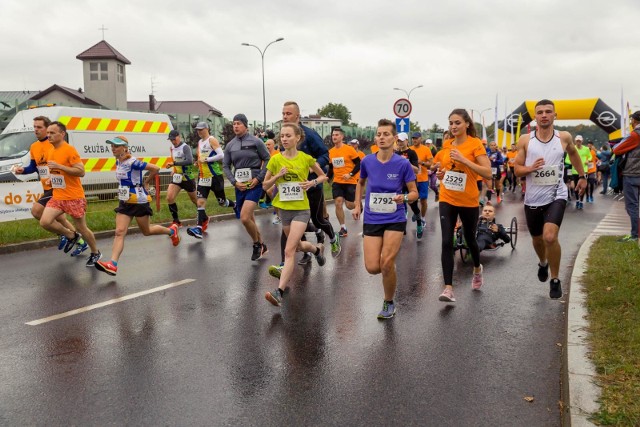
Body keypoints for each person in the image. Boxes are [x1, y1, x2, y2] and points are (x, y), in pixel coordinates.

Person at [514, 99, 587, 299]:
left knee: (549, 237)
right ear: (535, 116)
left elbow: (573, 154)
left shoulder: (564, 137)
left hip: (557, 194)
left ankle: (555, 279)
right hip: (532, 199)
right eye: (540, 112)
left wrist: (581, 176)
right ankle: (543, 263)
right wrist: (530, 168)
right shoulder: (525, 140)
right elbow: (516, 168)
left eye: (548, 111)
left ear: (555, 115)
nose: (544, 115)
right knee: (537, 239)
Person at [352, 119, 418, 319]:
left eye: (386, 134)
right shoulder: (367, 161)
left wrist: (404, 197)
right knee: (373, 267)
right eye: (379, 134)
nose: (381, 137)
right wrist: (357, 204)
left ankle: (389, 302)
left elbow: (414, 193)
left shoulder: (403, 163)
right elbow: (360, 182)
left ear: (395, 138)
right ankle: (390, 272)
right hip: (372, 217)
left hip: (394, 217)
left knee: (386, 262)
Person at [264, 123, 329, 306]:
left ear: (297, 138)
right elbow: (265, 185)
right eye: (282, 136)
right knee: (298, 246)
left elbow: (324, 176)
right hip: (284, 210)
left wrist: (312, 182)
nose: (284, 139)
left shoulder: (305, 158)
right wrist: (277, 177)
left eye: (288, 136)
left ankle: (279, 291)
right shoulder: (275, 160)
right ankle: (317, 249)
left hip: (301, 209)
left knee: (289, 250)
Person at [95, 136, 180, 276]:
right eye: (112, 146)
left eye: (116, 146)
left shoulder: (132, 162)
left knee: (147, 231)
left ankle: (172, 231)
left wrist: (146, 182)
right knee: (119, 232)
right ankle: (113, 264)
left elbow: (155, 168)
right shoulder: (118, 161)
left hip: (139, 201)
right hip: (125, 202)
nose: (113, 148)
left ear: (124, 148)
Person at [433, 109, 491, 302]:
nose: (453, 126)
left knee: (469, 239)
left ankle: (477, 268)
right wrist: (441, 174)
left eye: (457, 122)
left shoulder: (475, 144)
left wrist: (465, 160)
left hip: (468, 200)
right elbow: (445, 169)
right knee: (446, 241)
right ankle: (448, 288)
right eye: (451, 123)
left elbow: (488, 172)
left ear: (467, 124)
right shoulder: (447, 144)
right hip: (447, 197)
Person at [13, 116, 86, 255]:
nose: (36, 130)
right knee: (60, 218)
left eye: (39, 127)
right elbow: (34, 167)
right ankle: (80, 242)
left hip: (58, 188)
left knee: (36, 211)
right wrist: (23, 170)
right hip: (46, 187)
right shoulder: (34, 146)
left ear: (48, 129)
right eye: (34, 127)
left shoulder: (54, 144)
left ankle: (68, 235)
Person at [37, 121, 101, 267]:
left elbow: (81, 171)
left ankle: (95, 252)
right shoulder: (50, 150)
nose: (48, 136)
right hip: (58, 196)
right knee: (45, 222)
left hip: (74, 196)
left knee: (82, 227)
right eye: (47, 133)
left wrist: (60, 167)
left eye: (52, 133)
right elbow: (56, 173)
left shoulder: (70, 150)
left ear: (62, 134)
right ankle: (71, 236)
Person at [222, 114, 270, 260]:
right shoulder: (230, 145)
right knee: (249, 218)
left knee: (244, 217)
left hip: (254, 184)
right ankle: (262, 244)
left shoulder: (256, 141)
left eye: (238, 123)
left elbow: (267, 159)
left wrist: (259, 178)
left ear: (245, 126)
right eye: (234, 124)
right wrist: (234, 182)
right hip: (240, 185)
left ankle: (256, 244)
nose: (235, 126)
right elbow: (225, 165)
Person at [187, 122, 237, 239]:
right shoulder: (199, 142)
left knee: (222, 202)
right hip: (203, 177)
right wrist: (198, 161)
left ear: (207, 129)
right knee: (200, 202)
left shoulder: (212, 140)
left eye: (201, 129)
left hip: (215, 177)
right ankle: (199, 228)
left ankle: (234, 204)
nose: (199, 132)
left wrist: (207, 159)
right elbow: (201, 157)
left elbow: (221, 155)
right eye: (197, 130)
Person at [612, 110, 640, 242]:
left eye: (631, 120)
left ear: (634, 121)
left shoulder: (635, 135)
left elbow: (616, 149)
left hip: (632, 174)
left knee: (632, 206)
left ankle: (635, 235)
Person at [328, 127, 361, 237]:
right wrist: (328, 178)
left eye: (337, 135)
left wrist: (350, 174)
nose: (334, 137)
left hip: (350, 181)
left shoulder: (349, 149)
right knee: (338, 203)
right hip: (337, 181)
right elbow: (331, 167)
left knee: (350, 205)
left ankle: (357, 205)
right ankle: (343, 227)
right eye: (333, 135)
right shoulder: (331, 152)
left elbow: (358, 164)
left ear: (342, 137)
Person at [165, 130, 197, 227]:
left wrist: (174, 164)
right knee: (169, 198)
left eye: (174, 139)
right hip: (177, 177)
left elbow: (189, 161)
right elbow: (175, 160)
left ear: (179, 137)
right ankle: (176, 221)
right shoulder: (171, 148)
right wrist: (174, 169)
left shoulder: (185, 147)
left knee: (195, 200)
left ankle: (204, 218)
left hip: (187, 177)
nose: (173, 142)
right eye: (171, 140)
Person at [395, 132, 423, 238]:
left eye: (402, 141)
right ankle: (403, 227)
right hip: (399, 182)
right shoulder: (395, 154)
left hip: (410, 182)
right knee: (401, 204)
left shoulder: (412, 153)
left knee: (413, 205)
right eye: (398, 141)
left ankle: (419, 224)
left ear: (407, 141)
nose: (400, 143)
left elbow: (416, 169)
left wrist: (406, 163)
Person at [410, 132, 434, 234]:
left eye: (416, 138)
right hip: (411, 179)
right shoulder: (409, 150)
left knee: (423, 200)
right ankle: (417, 212)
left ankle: (423, 218)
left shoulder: (426, 149)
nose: (414, 140)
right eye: (413, 138)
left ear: (421, 139)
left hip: (423, 179)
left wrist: (422, 162)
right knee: (412, 201)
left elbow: (431, 164)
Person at [570, 135, 592, 210]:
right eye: (577, 141)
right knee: (576, 187)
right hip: (575, 170)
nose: (578, 142)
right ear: (575, 141)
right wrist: (572, 162)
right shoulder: (572, 148)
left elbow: (590, 156)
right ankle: (577, 200)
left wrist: (588, 160)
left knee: (583, 187)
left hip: (584, 170)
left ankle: (581, 201)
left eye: (579, 141)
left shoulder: (586, 149)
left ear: (582, 141)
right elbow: (567, 159)